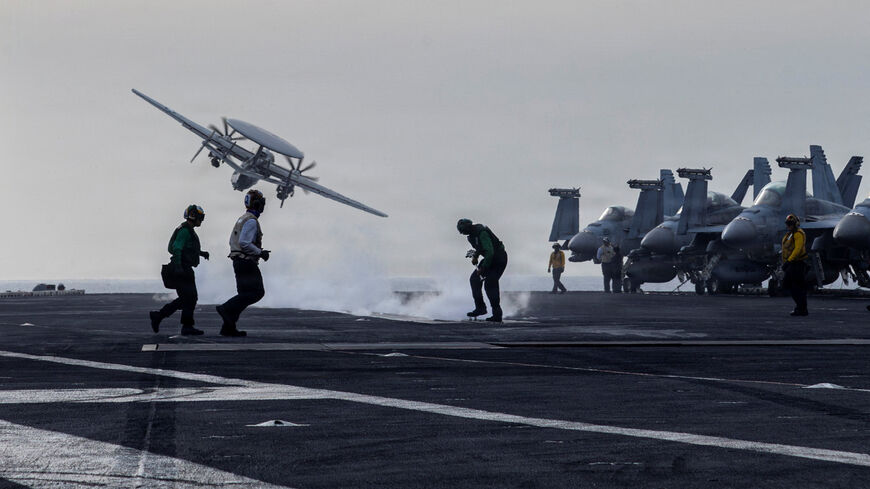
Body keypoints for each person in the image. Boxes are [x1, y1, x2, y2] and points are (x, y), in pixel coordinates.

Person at [216, 190, 270, 336]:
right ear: (257, 204)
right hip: (246, 262)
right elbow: (244, 243)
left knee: (244, 294)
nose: (263, 206)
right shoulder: (251, 220)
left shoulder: (242, 218)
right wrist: (260, 253)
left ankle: (228, 327)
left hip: (238, 261)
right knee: (257, 292)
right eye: (262, 203)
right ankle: (226, 308)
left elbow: (233, 241)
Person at [150, 205, 209, 335]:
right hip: (181, 268)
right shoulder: (185, 231)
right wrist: (178, 267)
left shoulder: (187, 230)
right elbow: (177, 248)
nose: (202, 220)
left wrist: (200, 253)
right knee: (190, 297)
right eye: (200, 217)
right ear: (193, 216)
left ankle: (160, 316)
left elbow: (186, 248)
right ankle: (185, 326)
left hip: (183, 267)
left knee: (187, 298)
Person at [457, 218, 508, 322]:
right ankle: (480, 308)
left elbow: (489, 251)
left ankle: (497, 315)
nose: (464, 233)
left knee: (490, 283)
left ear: (468, 227)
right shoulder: (472, 236)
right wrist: (475, 256)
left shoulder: (481, 232)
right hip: (490, 259)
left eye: (464, 230)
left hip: (499, 258)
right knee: (474, 280)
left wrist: (483, 268)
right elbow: (481, 248)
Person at [782, 213, 808, 316]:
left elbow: (798, 249)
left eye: (790, 224)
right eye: (788, 224)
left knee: (796, 287)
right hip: (792, 264)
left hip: (797, 264)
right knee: (791, 286)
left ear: (795, 224)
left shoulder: (798, 234)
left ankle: (802, 309)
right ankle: (801, 308)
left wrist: (789, 261)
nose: (788, 226)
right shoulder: (790, 235)